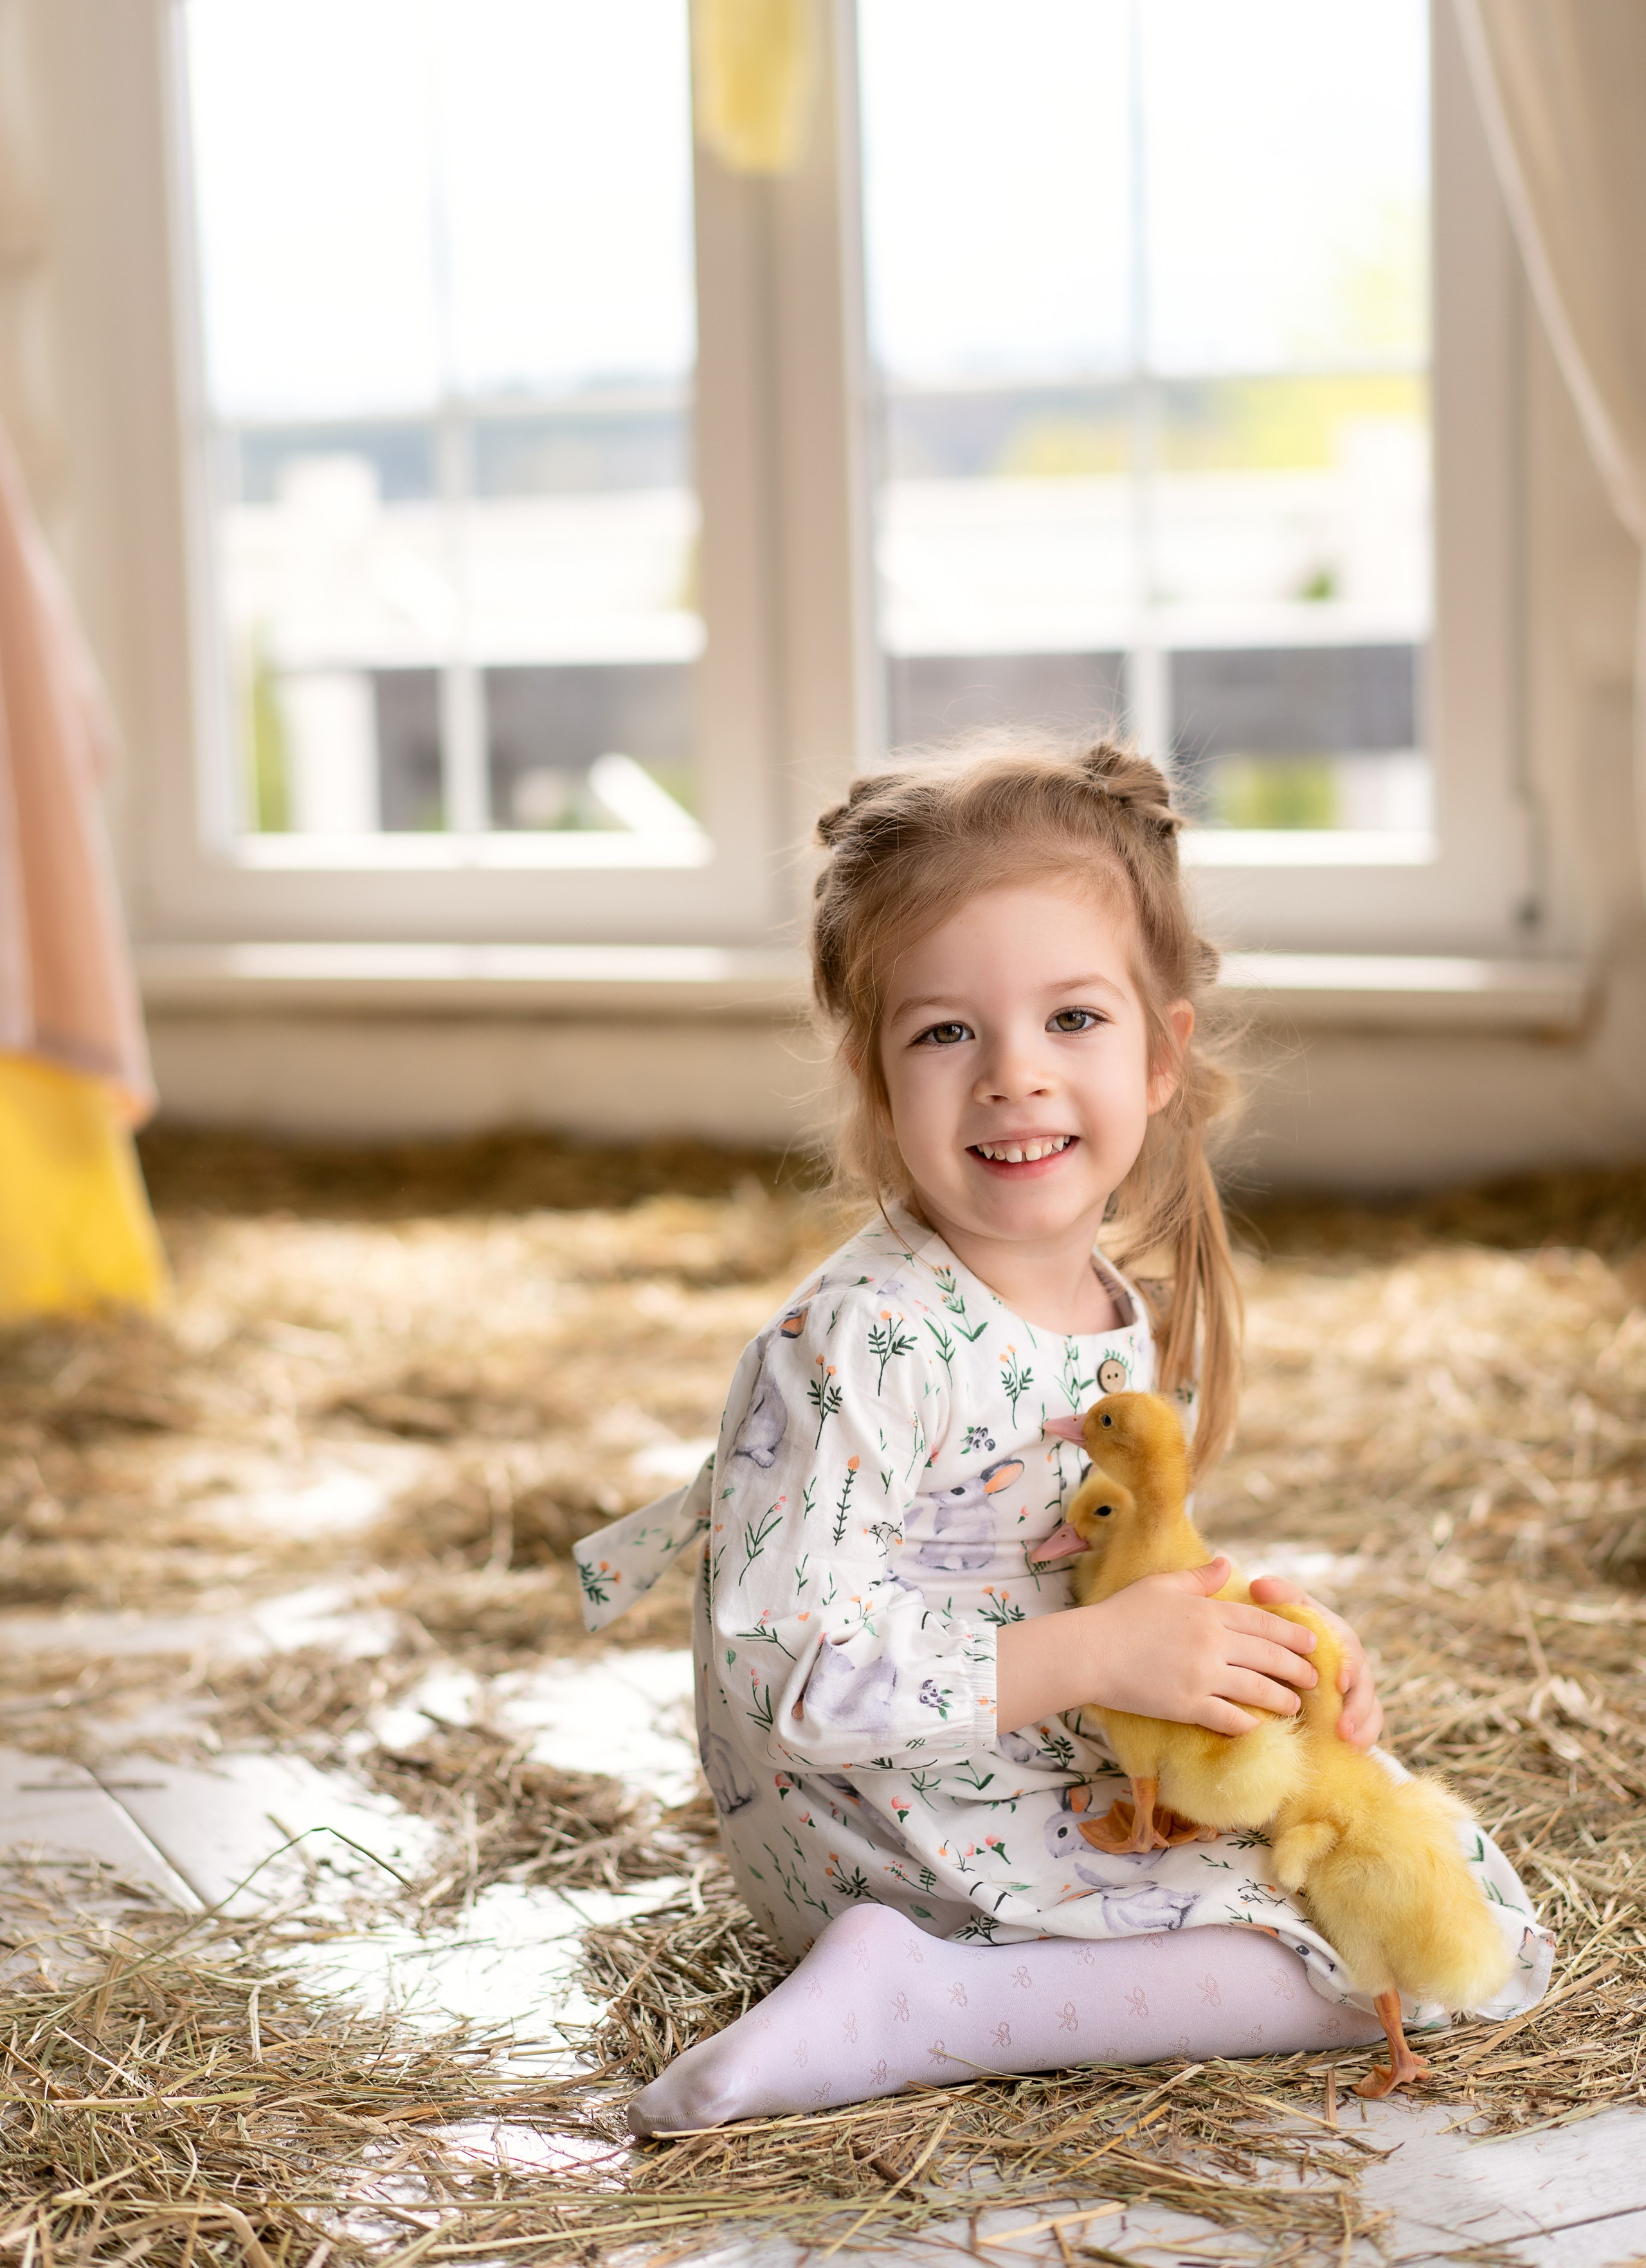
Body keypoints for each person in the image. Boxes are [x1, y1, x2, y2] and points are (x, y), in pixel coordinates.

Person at [576, 739, 1551, 2132]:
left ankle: (964, 1986)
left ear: (1161, 1054)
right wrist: (1097, 1654)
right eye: (943, 1032)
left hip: (1036, 1753)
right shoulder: (851, 1347)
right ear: (872, 1076)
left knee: (1442, 1893)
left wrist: (1268, 1641)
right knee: (1345, 1964)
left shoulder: (1106, 1310)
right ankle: (921, 2000)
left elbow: (1104, 1567)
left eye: (1072, 1021)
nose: (1011, 1078)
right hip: (871, 1827)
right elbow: (794, 1677)